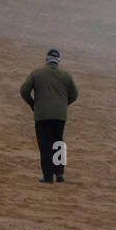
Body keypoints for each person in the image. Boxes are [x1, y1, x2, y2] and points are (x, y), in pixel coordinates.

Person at [19, 48, 78, 183]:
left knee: (45, 144)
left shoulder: (37, 73)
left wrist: (32, 104)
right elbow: (74, 95)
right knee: (58, 142)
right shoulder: (66, 75)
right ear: (58, 60)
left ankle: (48, 176)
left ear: (46, 59)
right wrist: (63, 104)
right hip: (60, 115)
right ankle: (59, 173)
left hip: (42, 114)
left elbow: (24, 90)